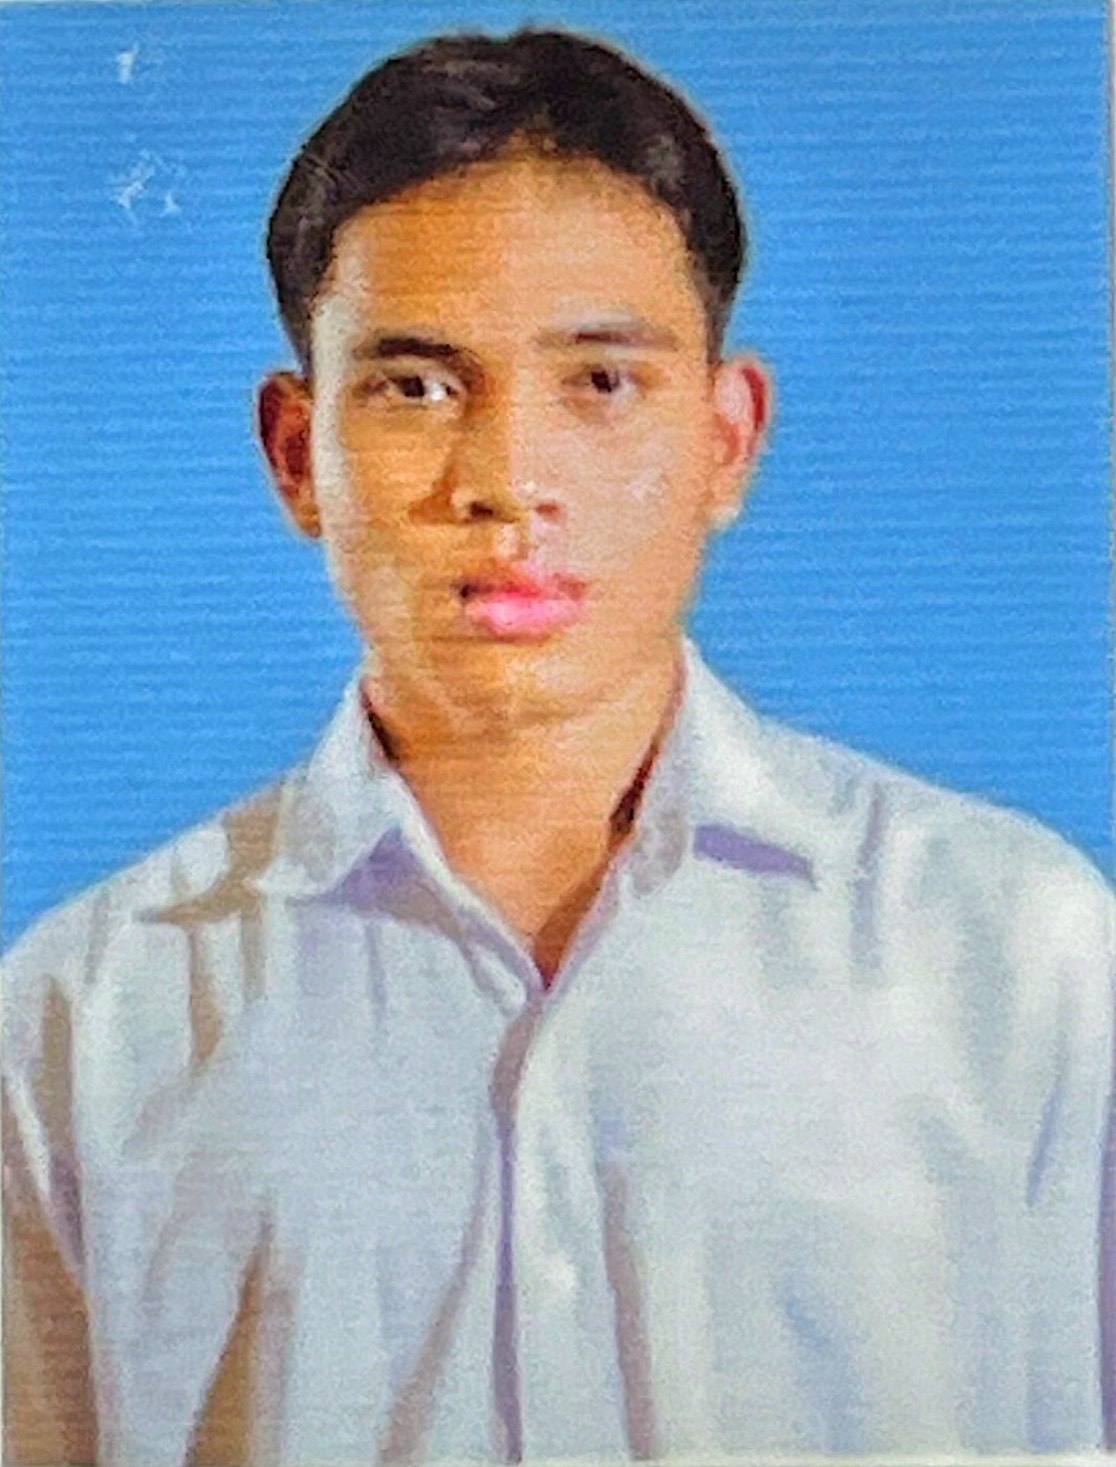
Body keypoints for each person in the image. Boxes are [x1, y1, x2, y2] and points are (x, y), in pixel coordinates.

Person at [3, 25, 1112, 1467]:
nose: (511, 481)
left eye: (600, 383)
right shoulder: (82, 1023)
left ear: (726, 440)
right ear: (294, 453)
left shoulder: (1020, 958)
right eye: (417, 386)